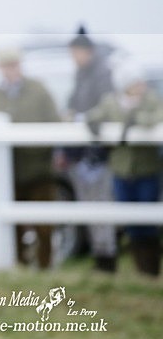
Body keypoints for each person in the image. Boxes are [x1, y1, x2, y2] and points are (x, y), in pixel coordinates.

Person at [0, 48, 60, 268]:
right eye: (6, 66)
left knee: (43, 224)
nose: (10, 70)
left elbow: (54, 122)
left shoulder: (39, 90)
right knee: (13, 224)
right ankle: (20, 265)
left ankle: (46, 266)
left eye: (13, 65)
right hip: (8, 170)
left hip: (39, 168)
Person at [87, 64, 162, 277]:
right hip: (121, 170)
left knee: (147, 222)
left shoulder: (151, 100)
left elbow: (156, 118)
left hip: (146, 170)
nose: (141, 86)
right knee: (130, 222)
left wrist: (134, 120)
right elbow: (93, 117)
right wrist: (97, 128)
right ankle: (141, 271)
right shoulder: (111, 102)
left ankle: (151, 270)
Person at [63, 26, 117, 272]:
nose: (75, 56)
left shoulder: (101, 74)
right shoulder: (80, 74)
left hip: (98, 151)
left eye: (77, 51)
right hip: (83, 149)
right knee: (89, 205)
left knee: (100, 203)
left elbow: (107, 106)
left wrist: (85, 118)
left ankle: (107, 256)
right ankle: (100, 254)